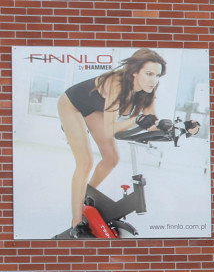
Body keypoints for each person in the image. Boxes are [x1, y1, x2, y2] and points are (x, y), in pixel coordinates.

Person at [56, 48, 168, 234]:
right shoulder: (117, 84)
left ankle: (83, 196)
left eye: (157, 75)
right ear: (135, 72)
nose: (153, 80)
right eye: (148, 74)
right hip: (73, 105)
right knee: (85, 162)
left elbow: (153, 121)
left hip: (95, 108)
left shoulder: (148, 89)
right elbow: (111, 129)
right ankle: (77, 223)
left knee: (112, 159)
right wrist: (137, 120)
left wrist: (171, 127)